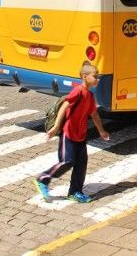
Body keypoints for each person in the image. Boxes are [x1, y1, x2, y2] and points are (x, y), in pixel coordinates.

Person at [34, 62, 110, 203]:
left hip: (81, 136)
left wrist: (101, 131)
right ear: (85, 76)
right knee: (67, 161)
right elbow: (65, 105)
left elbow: (94, 114)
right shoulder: (78, 91)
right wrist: (56, 127)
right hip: (68, 134)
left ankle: (75, 192)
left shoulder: (90, 96)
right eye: (95, 76)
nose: (97, 79)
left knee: (81, 164)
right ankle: (42, 179)